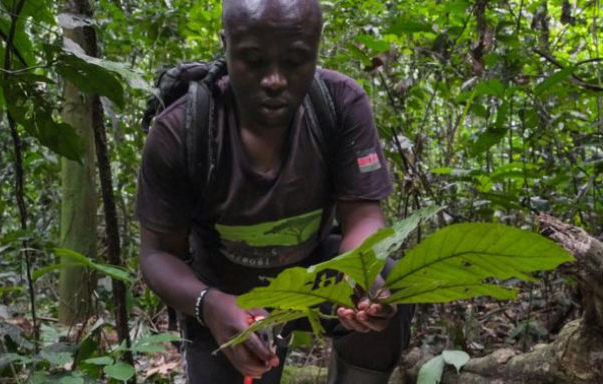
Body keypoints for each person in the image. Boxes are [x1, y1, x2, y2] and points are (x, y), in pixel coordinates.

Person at [136, 0, 413, 382]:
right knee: (248, 366)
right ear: (227, 46)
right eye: (253, 61)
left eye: (296, 61)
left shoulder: (341, 104)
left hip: (316, 276)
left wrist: (359, 275)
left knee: (389, 283)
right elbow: (157, 254)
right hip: (225, 293)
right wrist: (208, 304)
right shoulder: (182, 130)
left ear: (316, 49)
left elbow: (363, 215)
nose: (275, 80)